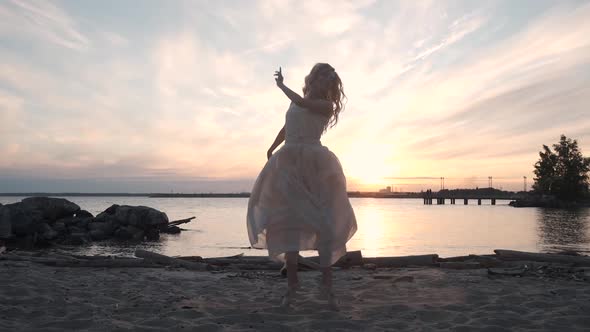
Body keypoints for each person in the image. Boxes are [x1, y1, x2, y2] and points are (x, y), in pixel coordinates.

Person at [247, 63, 357, 307]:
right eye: (319, 78)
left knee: (322, 221)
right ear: (313, 79)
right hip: (288, 162)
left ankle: (326, 285)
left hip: (316, 164)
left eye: (326, 80)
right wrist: (272, 146)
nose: (322, 83)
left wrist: (281, 85)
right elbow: (287, 127)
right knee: (287, 221)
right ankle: (292, 284)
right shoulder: (297, 100)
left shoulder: (325, 105)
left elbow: (304, 104)